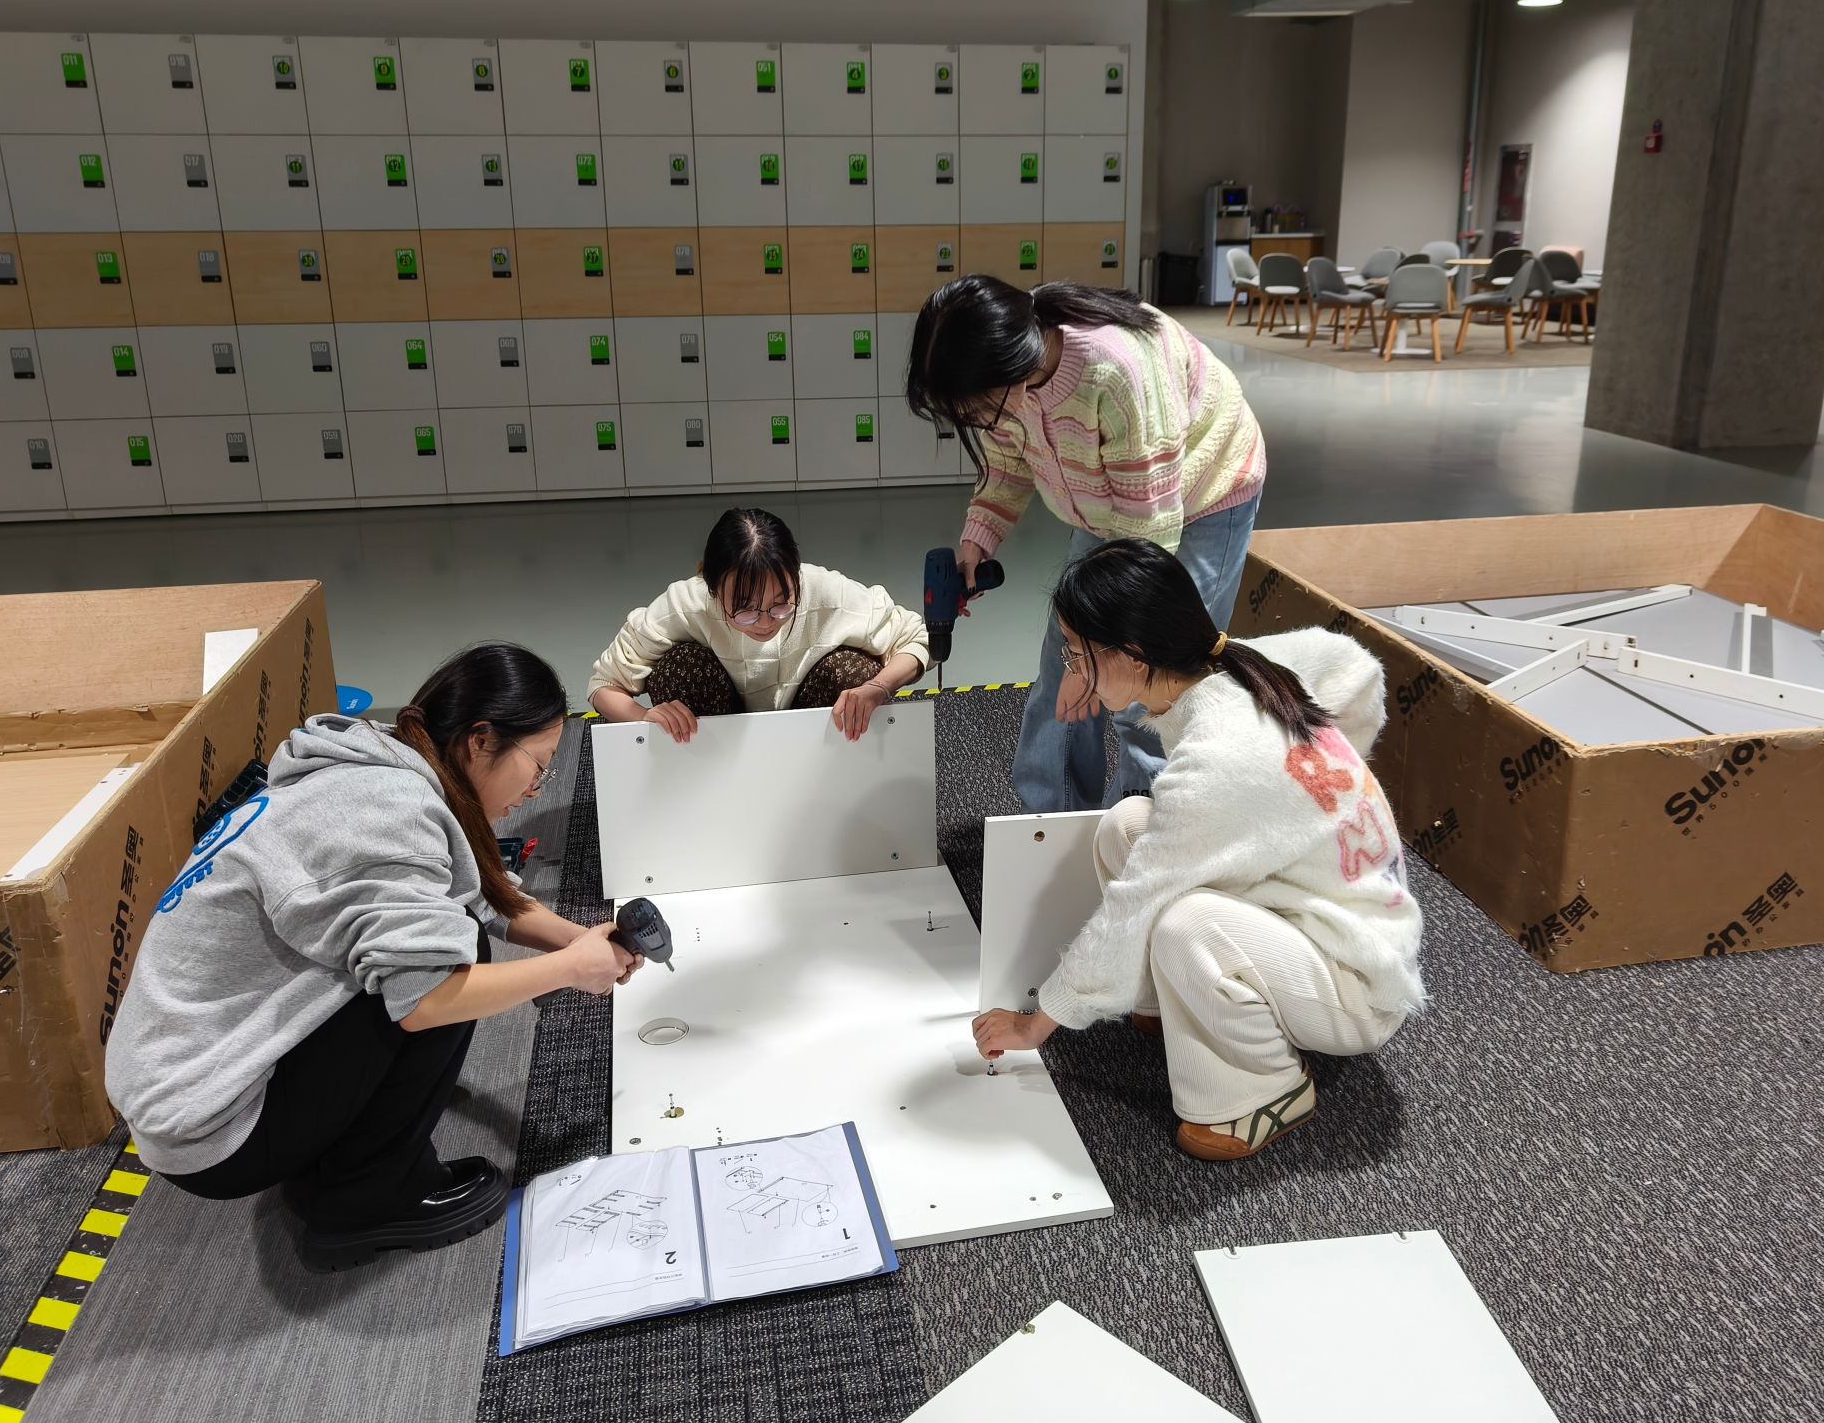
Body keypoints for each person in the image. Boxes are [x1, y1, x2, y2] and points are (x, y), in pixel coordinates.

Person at [106, 644, 641, 1270]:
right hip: (211, 1129)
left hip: (179, 1079)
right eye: (539, 767)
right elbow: (427, 999)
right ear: (480, 740)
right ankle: (366, 1204)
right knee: (452, 955)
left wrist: (575, 940)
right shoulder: (390, 812)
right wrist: (571, 969)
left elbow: (476, 892)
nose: (533, 790)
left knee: (448, 932)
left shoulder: (381, 762)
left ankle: (339, 1155)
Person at [970, 541, 1425, 1162]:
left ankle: (1264, 1089)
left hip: (1358, 980)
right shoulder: (1239, 662)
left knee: (1185, 926)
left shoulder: (1218, 760)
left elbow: (1132, 906)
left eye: (1076, 652)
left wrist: (1036, 1023)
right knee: (1126, 825)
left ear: (1131, 654)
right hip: (1314, 908)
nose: (1070, 669)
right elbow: (1351, 665)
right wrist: (1316, 798)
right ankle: (1176, 998)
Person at [906, 274, 1267, 812]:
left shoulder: (1115, 374)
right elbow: (1006, 464)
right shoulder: (1006, 377)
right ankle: (1049, 826)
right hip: (1108, 503)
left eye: (977, 411)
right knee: (1062, 672)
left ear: (1013, 367)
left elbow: (1149, 539)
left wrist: (1097, 664)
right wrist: (978, 538)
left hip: (1200, 494)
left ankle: (1149, 829)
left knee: (1153, 680)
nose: (975, 423)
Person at [587, 506, 928, 744]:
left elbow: (914, 638)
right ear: (712, 589)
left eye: (781, 603)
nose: (765, 622)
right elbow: (603, 684)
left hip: (815, 737)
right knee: (680, 670)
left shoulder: (825, 591)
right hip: (712, 740)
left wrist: (877, 687)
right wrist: (644, 717)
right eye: (745, 610)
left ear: (796, 577)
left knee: (854, 674)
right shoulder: (686, 603)